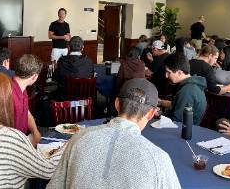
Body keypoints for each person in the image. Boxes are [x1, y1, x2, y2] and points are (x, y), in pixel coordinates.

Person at [46, 78, 181, 189]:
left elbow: (54, 186)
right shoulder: (159, 159)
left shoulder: (78, 138)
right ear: (151, 114)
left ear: (117, 104)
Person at [159, 53, 206, 125]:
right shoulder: (193, 85)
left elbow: (177, 122)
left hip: (182, 131)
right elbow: (176, 106)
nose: (166, 76)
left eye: (168, 72)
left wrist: (159, 115)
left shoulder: (187, 91)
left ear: (179, 72)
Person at [12, 54, 42, 147]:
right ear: (34, 76)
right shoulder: (9, 93)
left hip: (22, 139)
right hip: (14, 145)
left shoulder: (21, 88)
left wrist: (35, 131)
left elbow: (27, 113)